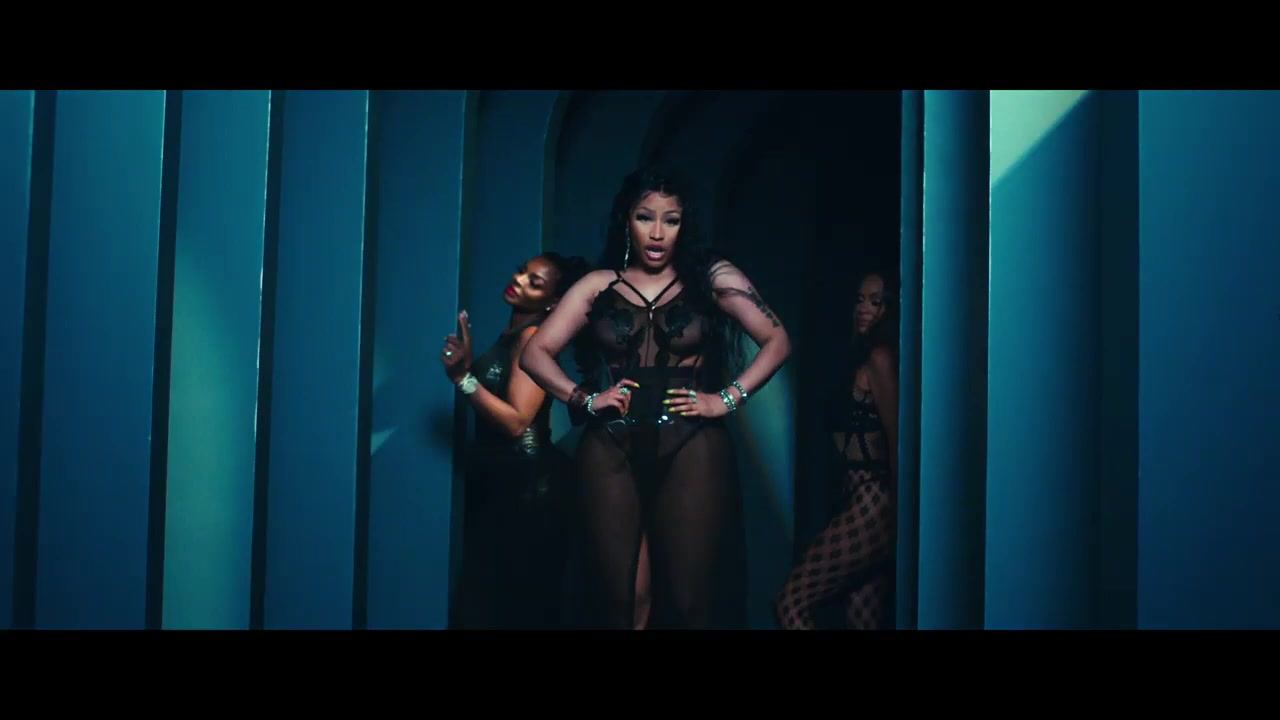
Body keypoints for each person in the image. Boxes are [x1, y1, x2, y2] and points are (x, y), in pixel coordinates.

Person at [519, 167, 792, 629]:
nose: (658, 233)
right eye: (646, 217)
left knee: (689, 604)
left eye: (672, 220)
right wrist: (585, 399)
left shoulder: (712, 277)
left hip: (692, 445)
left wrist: (726, 399)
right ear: (626, 219)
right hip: (611, 447)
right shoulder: (599, 285)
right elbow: (534, 353)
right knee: (619, 602)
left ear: (686, 225)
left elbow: (777, 340)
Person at [440, 251, 591, 630]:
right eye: (522, 271)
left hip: (527, 488)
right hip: (502, 482)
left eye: (534, 282)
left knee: (512, 605)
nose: (519, 280)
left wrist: (462, 379)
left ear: (553, 302)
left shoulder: (532, 338)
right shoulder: (514, 335)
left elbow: (516, 421)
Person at [774, 269, 899, 630]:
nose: (863, 308)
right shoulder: (862, 356)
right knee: (862, 622)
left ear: (891, 309)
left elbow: (897, 440)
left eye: (875, 302)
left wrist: (902, 518)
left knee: (790, 603)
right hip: (857, 499)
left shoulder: (880, 358)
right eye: (860, 300)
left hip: (874, 501)